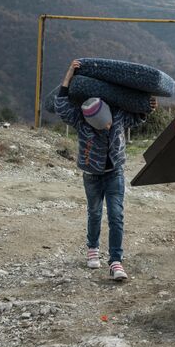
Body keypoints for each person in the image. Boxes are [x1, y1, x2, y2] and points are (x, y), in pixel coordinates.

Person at [55, 59, 157, 281]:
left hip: (115, 173)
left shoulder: (118, 114)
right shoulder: (80, 119)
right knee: (94, 212)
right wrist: (69, 74)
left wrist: (147, 108)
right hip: (91, 175)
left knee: (116, 216)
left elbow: (137, 118)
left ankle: (116, 262)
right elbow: (61, 105)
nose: (108, 127)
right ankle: (92, 248)